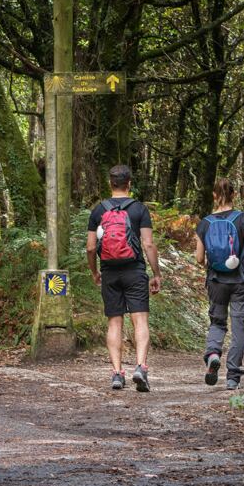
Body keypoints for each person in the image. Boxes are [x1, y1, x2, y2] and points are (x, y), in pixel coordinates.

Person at [86, 165, 162, 392]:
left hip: (109, 271)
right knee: (140, 320)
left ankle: (117, 374)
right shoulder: (139, 209)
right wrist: (156, 273)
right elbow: (148, 244)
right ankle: (140, 367)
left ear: (111, 184)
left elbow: (91, 248)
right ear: (129, 183)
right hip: (135, 271)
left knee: (114, 322)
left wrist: (94, 271)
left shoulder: (98, 210)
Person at [194, 178, 244, 390]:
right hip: (241, 280)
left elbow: (198, 258)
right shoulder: (243, 219)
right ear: (234, 195)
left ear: (214, 196)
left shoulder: (205, 223)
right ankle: (233, 377)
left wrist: (210, 262)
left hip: (216, 281)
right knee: (239, 327)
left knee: (217, 323)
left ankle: (213, 354)